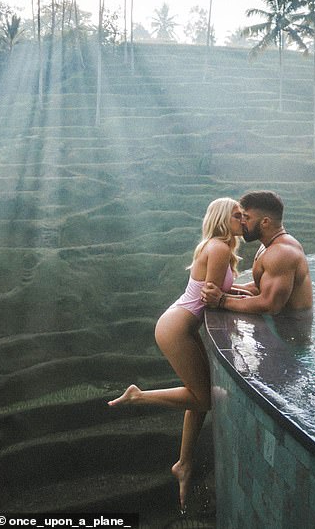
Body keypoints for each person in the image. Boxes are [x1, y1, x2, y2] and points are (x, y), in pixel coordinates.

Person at [108, 197, 243, 510]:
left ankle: (183, 463)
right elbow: (212, 299)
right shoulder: (220, 248)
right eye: (237, 215)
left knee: (199, 397)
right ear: (224, 218)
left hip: (181, 324)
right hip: (176, 328)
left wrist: (244, 291)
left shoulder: (213, 245)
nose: (242, 220)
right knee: (205, 398)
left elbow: (217, 291)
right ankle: (138, 396)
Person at [201, 191, 313, 315]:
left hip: (292, 328)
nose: (242, 222)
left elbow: (270, 305)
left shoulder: (281, 253)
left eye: (247, 217)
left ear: (265, 222)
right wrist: (222, 290)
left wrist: (222, 300)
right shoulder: (268, 246)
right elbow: (260, 287)